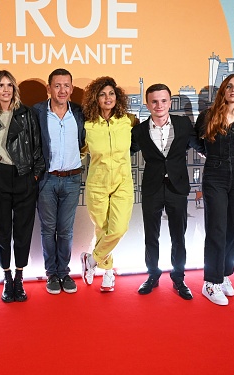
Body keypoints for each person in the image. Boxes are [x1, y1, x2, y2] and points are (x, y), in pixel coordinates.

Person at [131, 83, 203, 300]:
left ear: (169, 102)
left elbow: (198, 146)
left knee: (178, 235)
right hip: (152, 188)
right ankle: (152, 274)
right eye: (154, 101)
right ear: (147, 104)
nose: (159, 105)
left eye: (163, 100)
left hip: (177, 187)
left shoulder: (183, 124)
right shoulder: (140, 130)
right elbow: (122, 151)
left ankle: (179, 277)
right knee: (151, 236)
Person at [0, 70, 44, 303]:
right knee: (2, 231)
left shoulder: (27, 114)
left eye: (9, 85)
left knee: (23, 231)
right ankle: (6, 277)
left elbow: (38, 148)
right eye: (0, 85)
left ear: (14, 89)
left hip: (24, 176)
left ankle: (19, 277)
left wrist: (34, 176)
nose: (5, 90)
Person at [194, 74, 234, 306]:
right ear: (223, 90)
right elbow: (196, 141)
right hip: (215, 175)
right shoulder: (208, 116)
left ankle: (225, 275)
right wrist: (209, 153)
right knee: (217, 228)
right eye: (229, 86)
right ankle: (210, 282)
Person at [79, 76, 136, 292]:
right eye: (102, 94)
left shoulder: (128, 121)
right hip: (97, 184)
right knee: (102, 229)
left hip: (123, 182)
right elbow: (80, 152)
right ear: (96, 98)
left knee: (118, 228)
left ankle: (91, 261)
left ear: (117, 96)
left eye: (111, 93)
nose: (108, 97)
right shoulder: (88, 125)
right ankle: (109, 273)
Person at [32, 68, 85, 295]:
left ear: (71, 89)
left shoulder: (80, 113)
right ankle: (51, 274)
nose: (62, 90)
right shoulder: (37, 112)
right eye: (57, 85)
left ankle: (64, 272)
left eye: (66, 86)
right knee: (48, 229)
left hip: (72, 179)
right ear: (49, 88)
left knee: (65, 230)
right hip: (46, 179)